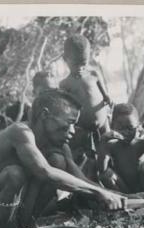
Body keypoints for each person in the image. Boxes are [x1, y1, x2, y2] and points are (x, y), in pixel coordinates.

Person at [0, 89, 125, 228]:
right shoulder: (19, 132)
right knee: (15, 174)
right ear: (45, 115)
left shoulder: (60, 146)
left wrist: (118, 195)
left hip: (8, 222)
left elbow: (81, 180)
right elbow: (44, 172)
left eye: (75, 125)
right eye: (69, 122)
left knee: (58, 162)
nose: (72, 131)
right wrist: (100, 193)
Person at [59, 34, 111, 181]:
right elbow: (65, 107)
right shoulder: (65, 84)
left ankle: (108, 174)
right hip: (83, 129)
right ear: (65, 59)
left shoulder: (93, 74)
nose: (81, 68)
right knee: (88, 159)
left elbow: (104, 93)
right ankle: (92, 181)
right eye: (76, 64)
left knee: (108, 149)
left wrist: (107, 98)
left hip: (103, 123)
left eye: (84, 63)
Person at [97, 103, 144, 196]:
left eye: (130, 128)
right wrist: (103, 140)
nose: (125, 132)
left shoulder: (141, 143)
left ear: (138, 127)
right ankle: (127, 198)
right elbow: (102, 169)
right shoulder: (111, 145)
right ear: (112, 127)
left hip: (143, 187)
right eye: (120, 128)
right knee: (105, 175)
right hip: (124, 189)